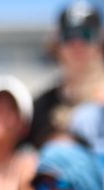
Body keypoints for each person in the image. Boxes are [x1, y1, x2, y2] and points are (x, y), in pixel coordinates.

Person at [28, 2, 104, 149]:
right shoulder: (41, 105)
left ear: (100, 43)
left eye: (86, 34)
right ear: (57, 44)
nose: (77, 43)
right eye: (69, 35)